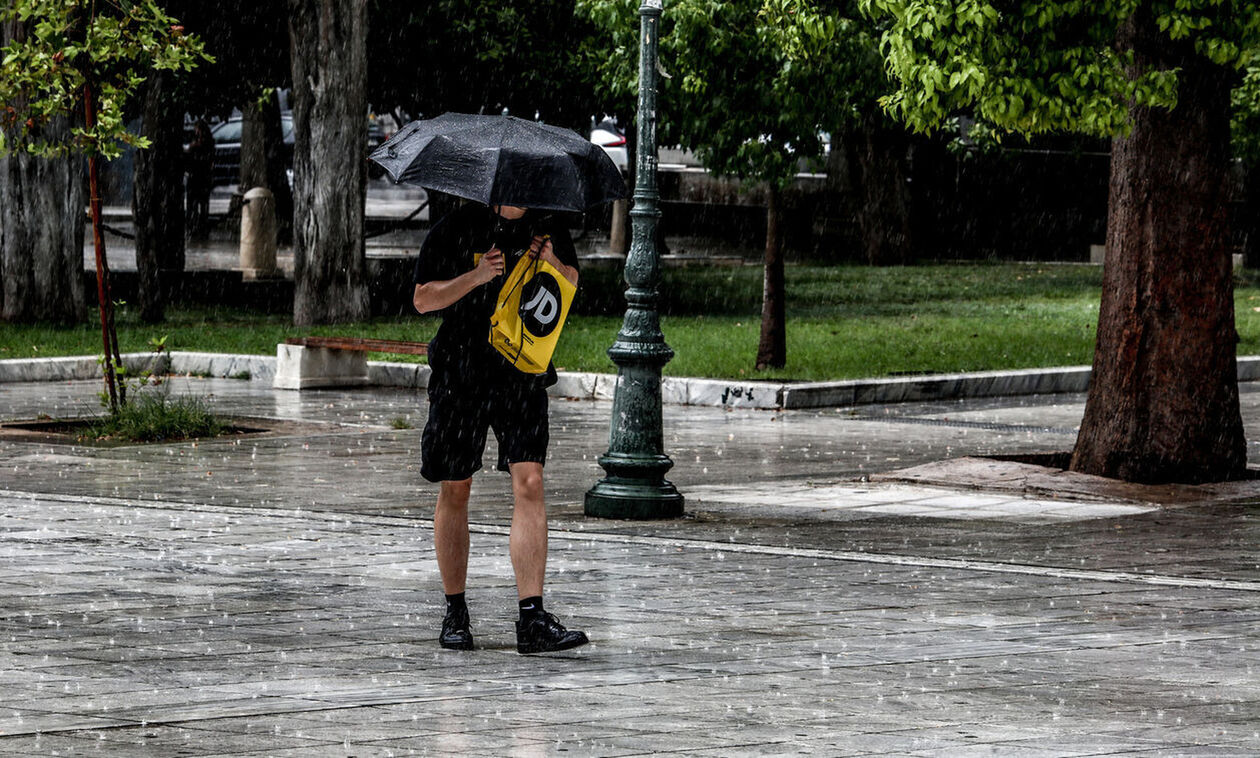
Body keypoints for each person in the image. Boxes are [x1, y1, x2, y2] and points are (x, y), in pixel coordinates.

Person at [413, 201, 587, 654]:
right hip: (460, 372)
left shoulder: (547, 227)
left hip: (521, 371)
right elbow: (422, 299)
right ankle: (456, 610)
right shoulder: (456, 227)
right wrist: (476, 276)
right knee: (456, 486)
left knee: (529, 480)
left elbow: (571, 285)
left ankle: (531, 617)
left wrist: (549, 260)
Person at [184, 118, 214, 238]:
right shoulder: (197, 142)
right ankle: (195, 226)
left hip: (201, 176)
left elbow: (208, 159)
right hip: (196, 176)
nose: (196, 132)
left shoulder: (206, 144)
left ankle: (199, 226)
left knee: (201, 204)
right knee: (194, 204)